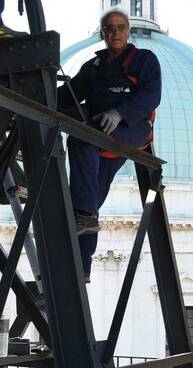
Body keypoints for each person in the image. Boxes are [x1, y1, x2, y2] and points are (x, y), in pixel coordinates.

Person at [57, 9, 162, 283]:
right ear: (103, 33)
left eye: (120, 28)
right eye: (110, 28)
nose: (115, 33)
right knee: (86, 203)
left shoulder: (144, 60)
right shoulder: (93, 67)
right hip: (100, 132)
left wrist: (120, 114)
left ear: (128, 32)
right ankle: (82, 267)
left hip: (131, 129)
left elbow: (151, 96)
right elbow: (68, 96)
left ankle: (85, 222)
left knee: (81, 138)